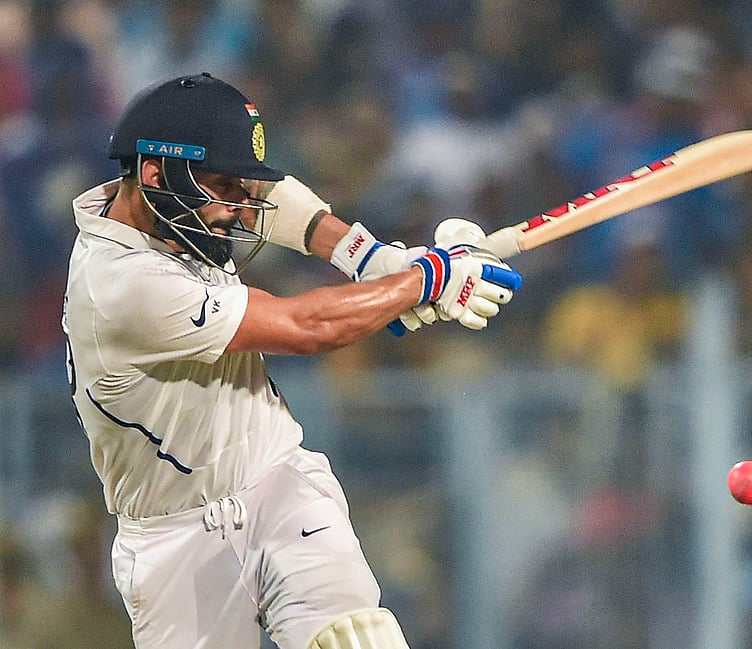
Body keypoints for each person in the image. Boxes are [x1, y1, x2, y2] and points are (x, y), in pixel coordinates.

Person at [61, 72, 522, 649]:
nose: (238, 208)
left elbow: (268, 199)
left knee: (359, 638)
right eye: (222, 188)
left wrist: (368, 257)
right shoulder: (120, 283)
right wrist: (425, 279)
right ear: (154, 174)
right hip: (173, 543)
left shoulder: (168, 201)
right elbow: (306, 328)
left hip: (276, 482)